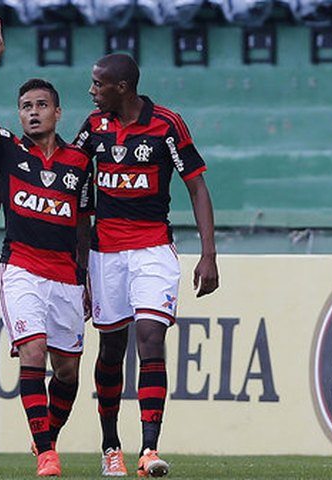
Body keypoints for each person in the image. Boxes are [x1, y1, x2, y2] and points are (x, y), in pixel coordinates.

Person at [73, 53, 219, 477]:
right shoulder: (95, 126)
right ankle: (110, 446)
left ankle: (149, 449)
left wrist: (208, 254)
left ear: (122, 87)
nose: (92, 90)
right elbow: (65, 166)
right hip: (105, 254)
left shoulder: (166, 125)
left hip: (153, 248)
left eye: (98, 84)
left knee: (151, 338)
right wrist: (4, 179)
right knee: (112, 348)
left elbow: (197, 187)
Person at [0, 18, 94, 477]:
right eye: (25, 106)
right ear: (19, 115)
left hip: (66, 276)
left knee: (69, 373)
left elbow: (83, 223)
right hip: (21, 267)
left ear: (58, 113)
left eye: (41, 105)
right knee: (33, 353)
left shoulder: (80, 162)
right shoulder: (7, 151)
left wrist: (87, 279)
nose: (33, 112)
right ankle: (45, 453)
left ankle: (46, 438)